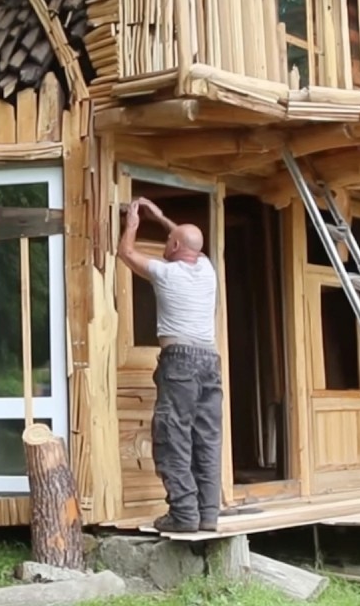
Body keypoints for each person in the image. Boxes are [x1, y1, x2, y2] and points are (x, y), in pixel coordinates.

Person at [117, 197, 222, 533]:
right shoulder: (208, 271)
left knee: (172, 435)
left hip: (181, 362)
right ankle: (207, 514)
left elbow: (127, 254)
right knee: (206, 437)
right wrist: (160, 215)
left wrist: (132, 224)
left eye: (167, 241)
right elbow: (190, 242)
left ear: (175, 246)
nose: (164, 244)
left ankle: (183, 514)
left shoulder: (166, 273)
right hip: (210, 360)